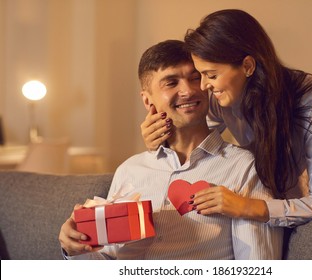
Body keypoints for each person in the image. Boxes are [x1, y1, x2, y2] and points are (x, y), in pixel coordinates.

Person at [141, 9, 312, 228]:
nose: (204, 86)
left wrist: (244, 206)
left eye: (211, 75)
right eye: (201, 75)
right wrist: (160, 138)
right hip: (280, 214)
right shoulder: (221, 99)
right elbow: (197, 143)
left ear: (248, 66)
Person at [58, 39, 283, 260]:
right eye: (171, 82)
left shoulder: (244, 167)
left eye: (196, 78)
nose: (188, 90)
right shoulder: (129, 170)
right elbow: (109, 258)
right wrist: (76, 249)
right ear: (148, 101)